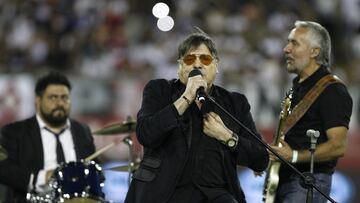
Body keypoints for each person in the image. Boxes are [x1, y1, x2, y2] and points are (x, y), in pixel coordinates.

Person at [124, 29, 269, 203]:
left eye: (205, 59)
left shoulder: (235, 103)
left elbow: (261, 159)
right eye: (189, 59)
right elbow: (146, 134)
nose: (197, 65)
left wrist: (226, 136)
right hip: (167, 193)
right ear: (180, 67)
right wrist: (186, 97)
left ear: (216, 66)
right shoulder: (159, 90)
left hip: (217, 195)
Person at [270, 21, 353, 202]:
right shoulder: (297, 86)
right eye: (288, 42)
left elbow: (338, 146)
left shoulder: (332, 90)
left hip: (306, 183)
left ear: (315, 52)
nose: (286, 49)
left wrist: (294, 156)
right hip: (284, 180)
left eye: (294, 43)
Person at [0, 72, 97, 202]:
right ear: (38, 101)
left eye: (65, 97)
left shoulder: (82, 131)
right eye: (53, 97)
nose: (59, 103)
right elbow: (4, 169)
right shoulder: (15, 132)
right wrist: (42, 178)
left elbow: (94, 168)